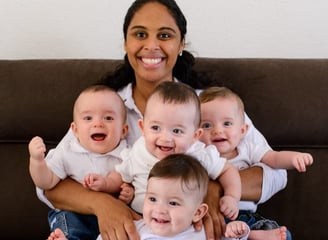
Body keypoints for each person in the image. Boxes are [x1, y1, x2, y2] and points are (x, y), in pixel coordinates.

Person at [39, 1, 288, 239]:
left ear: (181, 44)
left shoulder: (210, 105)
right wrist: (102, 204)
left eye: (165, 36)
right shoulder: (103, 108)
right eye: (139, 34)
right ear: (125, 43)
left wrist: (212, 188)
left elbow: (276, 174)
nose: (151, 46)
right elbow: (48, 183)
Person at [84, 82, 241, 221]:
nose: (165, 138)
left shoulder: (198, 154)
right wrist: (105, 184)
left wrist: (231, 197)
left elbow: (227, 170)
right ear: (142, 128)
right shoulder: (139, 151)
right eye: (155, 128)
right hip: (140, 218)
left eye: (177, 131)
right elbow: (120, 174)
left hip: (184, 223)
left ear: (195, 136)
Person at [198, 86, 314, 240]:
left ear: (243, 130)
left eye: (227, 124)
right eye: (207, 125)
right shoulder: (199, 155)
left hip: (244, 215)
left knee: (284, 235)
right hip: (208, 218)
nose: (217, 130)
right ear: (196, 133)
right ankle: (248, 235)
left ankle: (249, 233)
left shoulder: (249, 149)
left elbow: (275, 159)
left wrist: (294, 158)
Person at [48, 154, 250, 240]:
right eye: (152, 199)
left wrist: (238, 230)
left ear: (198, 212)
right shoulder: (136, 230)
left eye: (173, 203)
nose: (159, 209)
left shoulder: (201, 232)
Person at [29, 85, 133, 239]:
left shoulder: (127, 155)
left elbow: (128, 181)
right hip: (74, 213)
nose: (98, 124)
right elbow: (47, 183)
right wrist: (37, 161)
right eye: (88, 118)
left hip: (113, 217)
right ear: (75, 130)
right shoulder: (68, 153)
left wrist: (128, 192)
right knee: (71, 226)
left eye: (108, 118)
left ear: (124, 131)